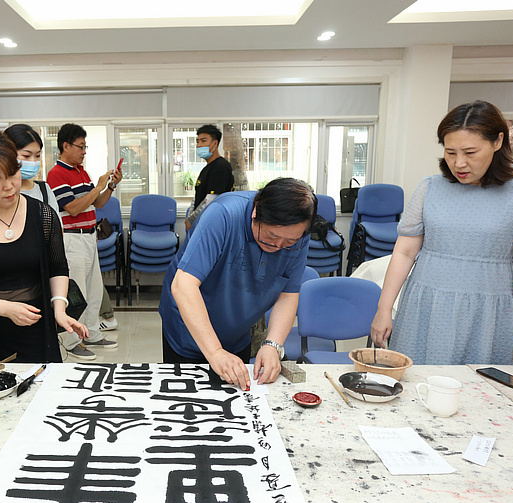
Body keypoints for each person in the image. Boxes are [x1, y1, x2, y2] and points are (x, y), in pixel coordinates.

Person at [370, 100, 513, 371]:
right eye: (450, 152)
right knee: (413, 386)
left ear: (497, 141)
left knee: (481, 393)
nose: (459, 163)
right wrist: (383, 309)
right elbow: (405, 252)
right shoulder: (429, 188)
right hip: (425, 306)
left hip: (488, 312)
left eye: (470, 152)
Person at [0, 127, 87, 364]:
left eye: (13, 173)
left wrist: (59, 309)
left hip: (38, 327)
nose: (8, 185)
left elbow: (58, 269)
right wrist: (5, 308)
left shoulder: (43, 215)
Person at [159, 178, 315, 389]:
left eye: (289, 243)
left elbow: (288, 292)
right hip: (189, 332)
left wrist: (272, 345)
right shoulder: (223, 215)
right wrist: (214, 352)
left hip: (237, 332)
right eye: (271, 236)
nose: (278, 247)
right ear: (255, 213)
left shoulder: (297, 235)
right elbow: (183, 285)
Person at [47, 123, 122, 360]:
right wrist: (99, 186)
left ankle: (90, 334)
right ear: (65, 146)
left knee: (93, 290)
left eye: (85, 147)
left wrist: (110, 187)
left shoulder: (82, 172)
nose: (84, 151)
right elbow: (73, 208)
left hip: (89, 237)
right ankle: (71, 340)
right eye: (80, 146)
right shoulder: (56, 174)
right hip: (71, 240)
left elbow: (97, 203)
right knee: (75, 292)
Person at [3, 124, 60, 218]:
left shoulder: (44, 190)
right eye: (26, 156)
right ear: (7, 154)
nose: (33, 162)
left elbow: (57, 229)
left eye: (37, 156)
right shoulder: (2, 191)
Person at [185, 124, 234, 230]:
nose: (199, 145)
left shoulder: (221, 167)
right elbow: (198, 195)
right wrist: (190, 215)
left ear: (215, 143)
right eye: (197, 141)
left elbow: (211, 199)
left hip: (212, 223)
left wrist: (191, 220)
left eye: (203, 141)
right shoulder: (208, 168)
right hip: (200, 221)